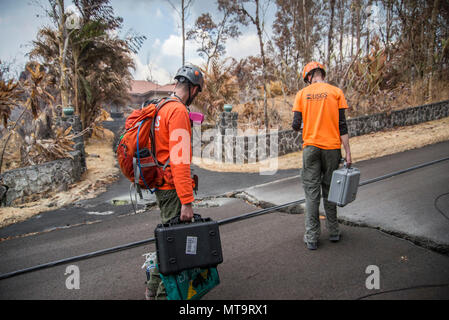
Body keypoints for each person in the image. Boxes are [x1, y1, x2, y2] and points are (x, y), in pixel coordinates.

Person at [145, 64, 204, 299]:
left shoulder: (160, 107)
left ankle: (151, 290)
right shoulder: (178, 111)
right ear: (192, 88)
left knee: (167, 242)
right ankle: (161, 295)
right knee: (175, 251)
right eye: (197, 91)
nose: (196, 96)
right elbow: (180, 162)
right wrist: (187, 201)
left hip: (160, 183)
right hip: (172, 188)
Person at [291, 61, 352, 251]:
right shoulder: (336, 92)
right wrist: (348, 152)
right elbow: (342, 125)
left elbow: (295, 124)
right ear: (322, 74)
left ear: (308, 77)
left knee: (312, 193)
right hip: (332, 148)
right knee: (330, 189)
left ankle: (312, 237)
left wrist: (309, 123)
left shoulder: (301, 95)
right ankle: (333, 231)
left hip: (311, 148)